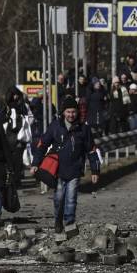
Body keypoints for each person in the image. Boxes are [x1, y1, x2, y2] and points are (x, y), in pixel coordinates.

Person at [31, 97, 101, 232]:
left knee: (71, 199)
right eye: (68, 112)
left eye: (73, 112)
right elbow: (42, 144)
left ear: (77, 112)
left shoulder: (84, 129)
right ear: (63, 112)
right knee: (58, 198)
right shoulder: (55, 126)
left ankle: (69, 224)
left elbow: (91, 150)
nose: (71, 115)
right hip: (58, 170)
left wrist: (95, 171)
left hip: (75, 169)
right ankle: (58, 220)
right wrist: (35, 163)